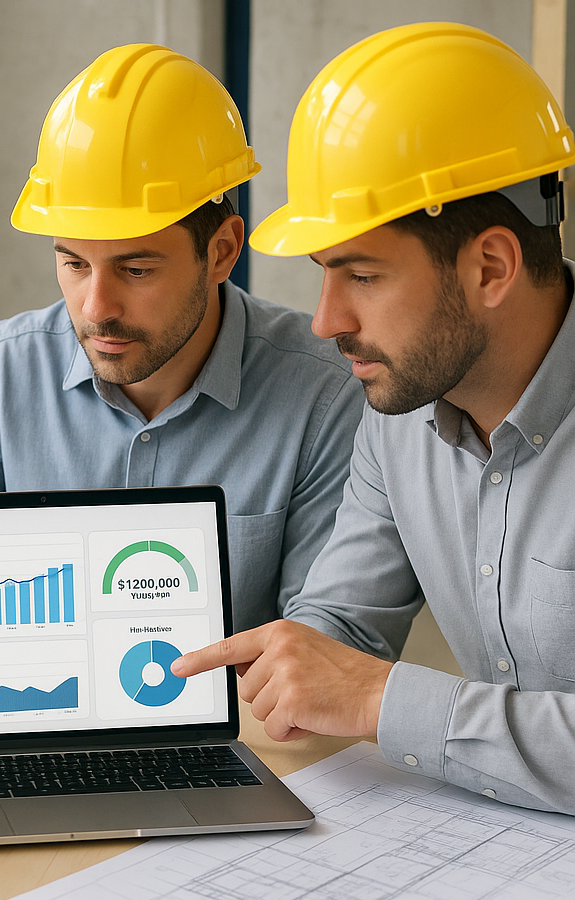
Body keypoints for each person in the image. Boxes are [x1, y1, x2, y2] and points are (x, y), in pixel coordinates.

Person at [173, 22, 575, 815]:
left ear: (490, 266)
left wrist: (385, 699)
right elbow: (341, 630)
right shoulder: (401, 417)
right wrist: (291, 661)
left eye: (362, 274)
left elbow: (369, 689)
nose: (324, 320)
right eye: (326, 275)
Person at [0, 43, 364, 631]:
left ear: (221, 252)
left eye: (136, 269)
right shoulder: (3, 373)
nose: (96, 309)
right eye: (73, 264)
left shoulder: (324, 395)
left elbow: (323, 649)